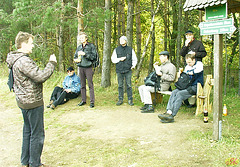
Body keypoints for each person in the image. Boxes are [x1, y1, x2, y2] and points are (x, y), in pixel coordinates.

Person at [6, 31, 57, 167]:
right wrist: (52, 63)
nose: (33, 46)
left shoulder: (15, 59)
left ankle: (25, 162)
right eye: (31, 43)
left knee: (27, 131)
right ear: (23, 44)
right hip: (32, 102)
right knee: (37, 134)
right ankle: (35, 163)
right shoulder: (23, 61)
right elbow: (40, 76)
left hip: (23, 102)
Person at [158, 54, 204, 123]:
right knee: (174, 92)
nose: (188, 64)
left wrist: (189, 72)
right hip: (187, 86)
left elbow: (195, 72)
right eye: (187, 62)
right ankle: (169, 111)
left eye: (190, 62)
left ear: (194, 60)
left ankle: (172, 115)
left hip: (196, 86)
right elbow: (185, 77)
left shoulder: (199, 64)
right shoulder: (188, 66)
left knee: (180, 94)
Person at [111, 36, 138, 106]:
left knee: (129, 85)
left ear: (126, 41)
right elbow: (113, 59)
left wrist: (133, 66)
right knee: (120, 85)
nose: (121, 41)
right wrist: (120, 59)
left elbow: (134, 59)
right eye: (120, 40)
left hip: (128, 70)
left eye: (123, 40)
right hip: (119, 70)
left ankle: (130, 99)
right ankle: (120, 99)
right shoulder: (116, 49)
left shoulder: (130, 49)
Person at [74, 32, 97, 108]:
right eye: (80, 38)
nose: (81, 39)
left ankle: (92, 102)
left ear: (86, 38)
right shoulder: (79, 47)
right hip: (81, 67)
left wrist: (85, 54)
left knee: (90, 85)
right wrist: (76, 60)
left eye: (83, 38)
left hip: (88, 67)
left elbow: (94, 57)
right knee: (82, 85)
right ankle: (83, 100)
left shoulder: (91, 46)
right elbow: (75, 57)